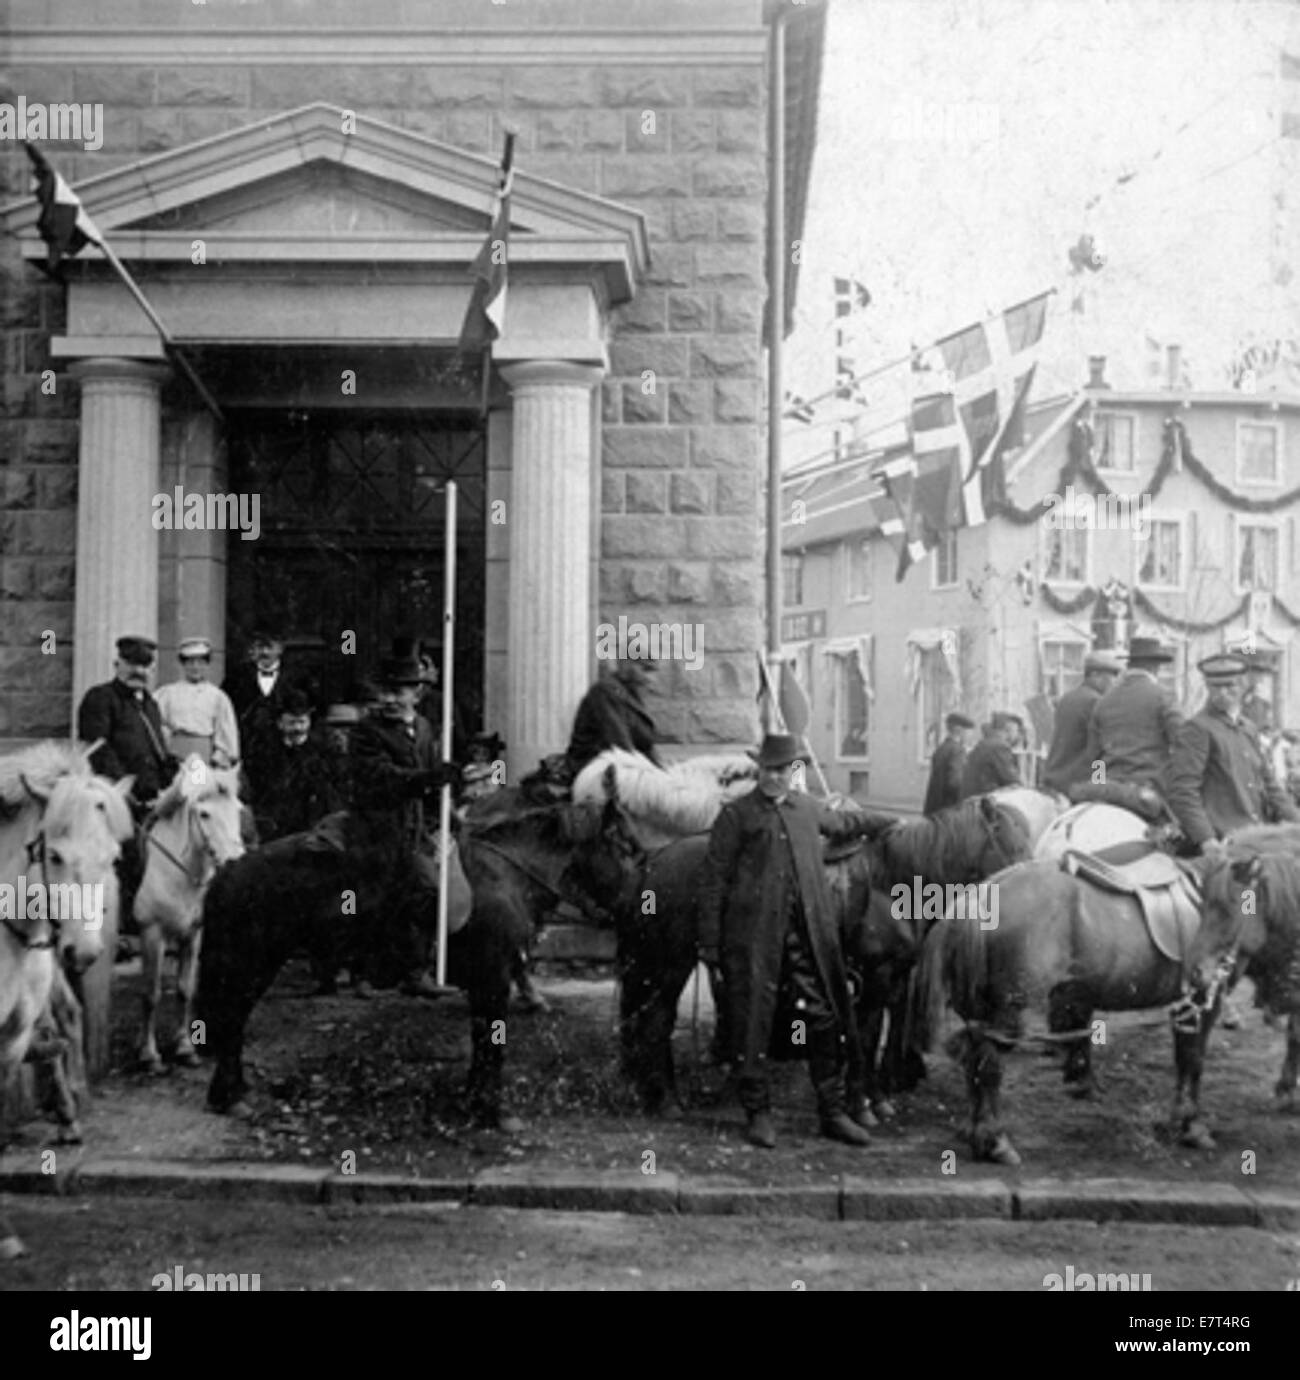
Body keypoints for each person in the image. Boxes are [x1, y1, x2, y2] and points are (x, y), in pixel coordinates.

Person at [697, 733, 896, 1149]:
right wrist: (710, 943)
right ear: (758, 771)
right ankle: (758, 1113)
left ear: (794, 772)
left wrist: (892, 822)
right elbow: (713, 881)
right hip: (752, 941)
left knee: (823, 1018)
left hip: (808, 940)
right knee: (754, 1023)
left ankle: (832, 1112)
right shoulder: (736, 817)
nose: (774, 777)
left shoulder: (806, 809)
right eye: (767, 769)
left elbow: (846, 823)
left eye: (782, 770)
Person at [347, 652, 458, 998]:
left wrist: (447, 815)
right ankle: (363, 975)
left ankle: (415, 971)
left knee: (425, 892)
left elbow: (429, 778)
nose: (391, 699)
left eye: (400, 691)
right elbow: (380, 776)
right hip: (376, 828)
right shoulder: (367, 731)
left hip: (413, 830)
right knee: (374, 898)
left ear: (417, 694)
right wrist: (428, 778)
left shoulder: (424, 728)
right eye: (387, 691)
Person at [76, 635, 180, 936]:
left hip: (149, 799)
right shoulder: (100, 698)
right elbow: (97, 748)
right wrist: (126, 788)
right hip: (114, 797)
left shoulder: (150, 704)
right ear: (117, 664)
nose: (139, 671)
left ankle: (144, 926)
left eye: (145, 666)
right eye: (132, 664)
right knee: (120, 861)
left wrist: (174, 775)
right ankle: (112, 933)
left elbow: (157, 751)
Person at [1164, 653, 1299, 854]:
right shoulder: (1198, 728)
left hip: (1257, 836)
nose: (1222, 693)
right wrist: (1206, 839)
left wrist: (1295, 819)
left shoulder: (1248, 728)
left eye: (1230, 686)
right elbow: (1183, 790)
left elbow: (1270, 784)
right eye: (1215, 687)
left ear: (1244, 685)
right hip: (1224, 842)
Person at [1086, 636, 1183, 793]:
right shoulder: (1164, 696)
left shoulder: (1103, 702)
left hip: (1110, 786)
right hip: (1151, 788)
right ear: (1155, 667)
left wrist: (1100, 787)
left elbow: (1094, 756)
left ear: (1129, 665)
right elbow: (1182, 743)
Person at [251, 690, 343, 842]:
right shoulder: (266, 752)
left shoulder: (323, 753)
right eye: (292, 723)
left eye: (302, 722)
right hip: (276, 829)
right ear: (280, 724)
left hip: (313, 827)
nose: (298, 728)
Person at [1042, 650, 1123, 795]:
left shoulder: (1067, 698)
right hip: (1079, 784)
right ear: (1095, 675)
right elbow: (1099, 750)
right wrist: (1099, 784)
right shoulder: (1096, 702)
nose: (1115, 681)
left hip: (1055, 779)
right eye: (1112, 675)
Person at [153, 636, 240, 769]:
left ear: (207, 664)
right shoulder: (166, 694)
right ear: (183, 664)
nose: (195, 667)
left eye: (200, 662)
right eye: (190, 662)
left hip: (204, 758)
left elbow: (225, 733)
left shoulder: (218, 697)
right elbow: (156, 726)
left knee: (197, 788)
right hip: (173, 758)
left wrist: (217, 761)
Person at [566, 658, 662, 774]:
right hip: (595, 768)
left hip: (620, 766)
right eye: (645, 669)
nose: (651, 678)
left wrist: (662, 773)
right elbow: (620, 743)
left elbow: (646, 744)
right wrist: (652, 774)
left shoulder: (631, 693)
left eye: (653, 672)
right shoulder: (605, 691)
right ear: (626, 664)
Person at [922, 712, 975, 815]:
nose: (970, 736)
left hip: (935, 809)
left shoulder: (941, 749)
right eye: (968, 732)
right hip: (949, 811)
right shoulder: (958, 751)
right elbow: (955, 783)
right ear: (959, 730)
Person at [959, 712, 1021, 798]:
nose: (1017, 735)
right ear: (1008, 730)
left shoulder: (983, 743)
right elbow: (1012, 781)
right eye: (1017, 731)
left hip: (970, 801)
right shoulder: (999, 747)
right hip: (984, 803)